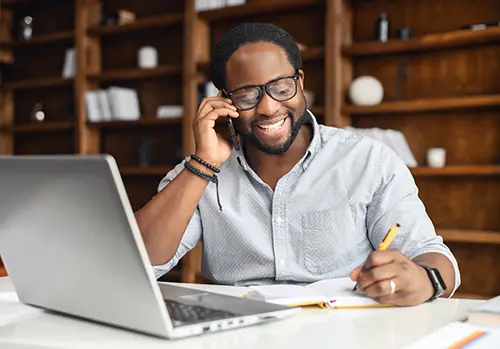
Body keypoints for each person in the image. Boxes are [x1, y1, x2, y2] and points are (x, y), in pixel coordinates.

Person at [135, 22, 460, 306]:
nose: (268, 107)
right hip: (238, 334)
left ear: (300, 82)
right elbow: (139, 264)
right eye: (247, 94)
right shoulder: (199, 172)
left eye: (281, 88)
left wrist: (425, 280)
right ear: (225, 100)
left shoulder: (367, 160)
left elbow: (433, 257)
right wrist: (203, 165)